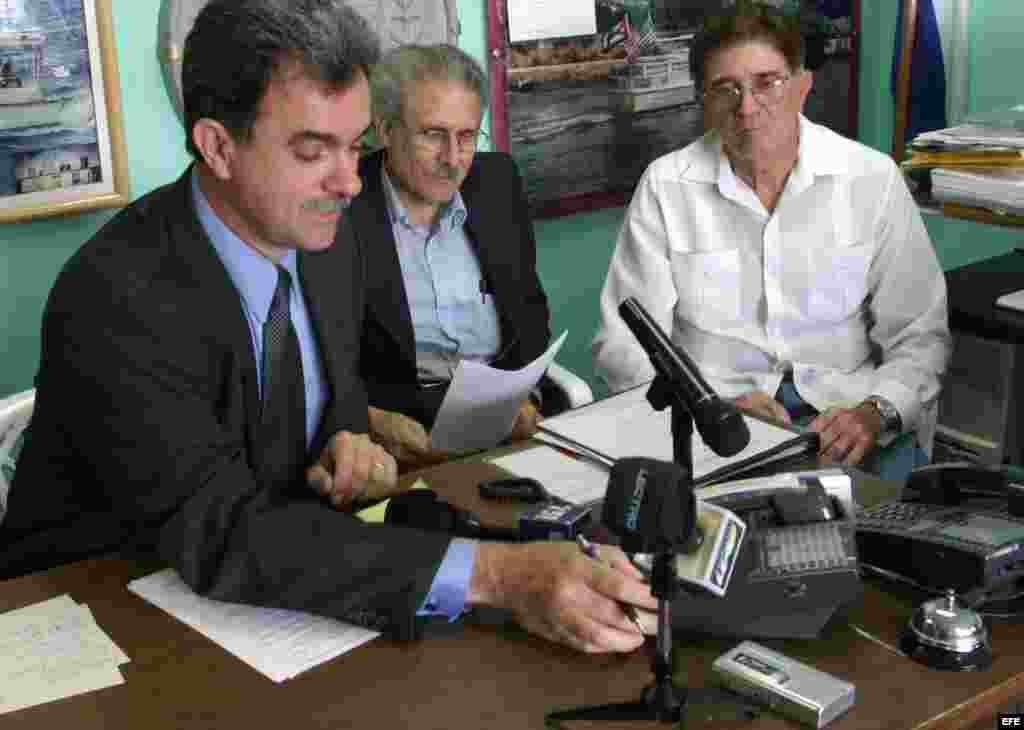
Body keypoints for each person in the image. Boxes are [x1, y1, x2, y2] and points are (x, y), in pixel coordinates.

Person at [5, 0, 654, 653]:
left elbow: (331, 385)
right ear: (218, 145)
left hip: (275, 592)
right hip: (90, 608)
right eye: (314, 151)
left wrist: (346, 435)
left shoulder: (323, 235)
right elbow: (225, 530)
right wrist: (498, 575)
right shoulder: (118, 294)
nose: (349, 183)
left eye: (356, 145)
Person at [591, 1, 950, 481]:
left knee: (888, 542)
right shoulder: (666, 186)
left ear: (802, 85)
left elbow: (920, 335)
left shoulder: (871, 178)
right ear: (703, 99)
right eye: (726, 88)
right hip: (717, 430)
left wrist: (875, 412)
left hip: (849, 422)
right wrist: (710, 407)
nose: (746, 107)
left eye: (767, 82)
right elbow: (621, 345)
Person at [349, 44, 549, 468]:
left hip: (504, 428)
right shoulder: (344, 203)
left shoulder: (497, 183)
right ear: (385, 131)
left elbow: (529, 313)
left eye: (466, 136)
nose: (454, 159)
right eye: (433, 135)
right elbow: (323, 359)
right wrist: (368, 422)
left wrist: (525, 396)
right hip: (399, 442)